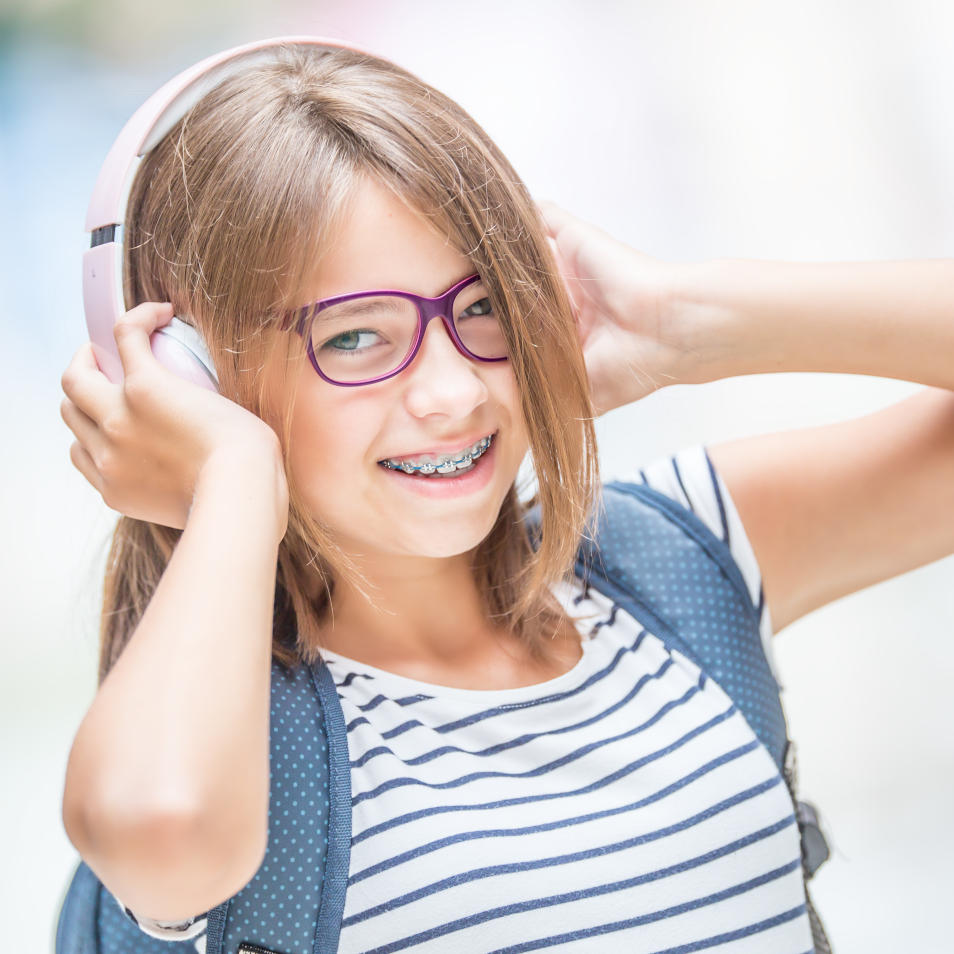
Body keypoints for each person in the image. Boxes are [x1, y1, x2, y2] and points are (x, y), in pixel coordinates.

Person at [58, 42, 954, 954]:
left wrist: (687, 324)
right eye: (357, 336)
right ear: (193, 378)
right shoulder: (218, 735)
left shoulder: (677, 562)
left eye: (483, 307)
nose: (453, 392)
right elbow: (160, 825)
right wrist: (232, 480)